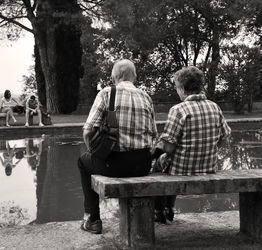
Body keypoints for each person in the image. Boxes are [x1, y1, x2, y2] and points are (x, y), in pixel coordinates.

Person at [78, 59, 157, 234]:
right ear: (134, 76)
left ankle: (93, 219)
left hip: (114, 164)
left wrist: (95, 152)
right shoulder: (146, 96)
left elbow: (88, 131)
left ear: (114, 76)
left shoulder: (107, 93)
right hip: (143, 165)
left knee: (83, 162)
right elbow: (153, 135)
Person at [151, 66, 231, 224]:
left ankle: (158, 210)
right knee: (167, 164)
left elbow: (169, 148)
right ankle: (169, 209)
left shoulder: (178, 110)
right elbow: (225, 137)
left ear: (181, 88)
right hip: (209, 168)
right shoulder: (215, 107)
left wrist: (159, 148)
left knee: (159, 166)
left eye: (176, 87)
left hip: (181, 169)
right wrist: (209, 149)